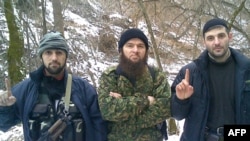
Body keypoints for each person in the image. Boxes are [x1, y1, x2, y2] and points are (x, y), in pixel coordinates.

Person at [0, 31, 107, 141]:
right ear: (41, 56)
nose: (54, 58)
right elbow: (4, 124)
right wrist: (4, 108)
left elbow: (98, 127)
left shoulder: (84, 89)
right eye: (48, 52)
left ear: (66, 56)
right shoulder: (26, 89)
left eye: (59, 52)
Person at [171, 18, 250, 141]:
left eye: (221, 36)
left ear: (230, 37)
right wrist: (181, 100)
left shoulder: (246, 70)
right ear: (204, 42)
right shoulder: (190, 72)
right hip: (202, 137)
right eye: (210, 38)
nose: (217, 42)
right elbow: (177, 115)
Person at [97, 28, 171, 141]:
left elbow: (164, 108)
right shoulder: (110, 76)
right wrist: (145, 101)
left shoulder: (156, 75)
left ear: (146, 50)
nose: (135, 50)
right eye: (130, 45)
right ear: (121, 49)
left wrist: (123, 109)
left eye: (140, 46)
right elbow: (107, 110)